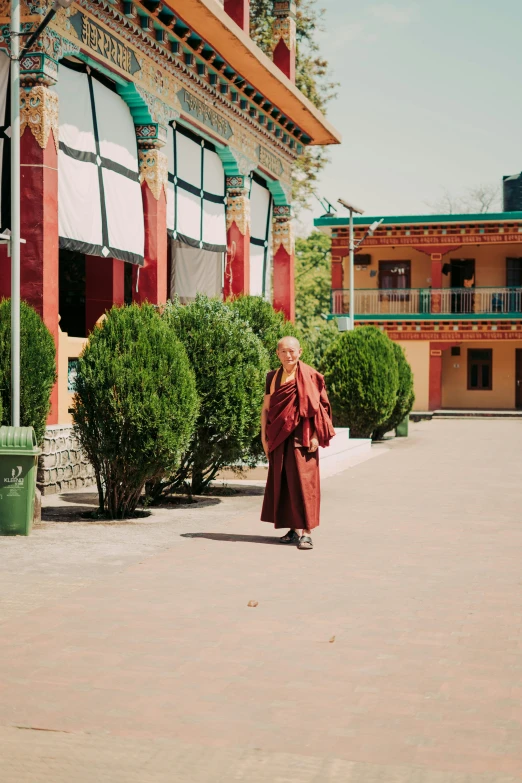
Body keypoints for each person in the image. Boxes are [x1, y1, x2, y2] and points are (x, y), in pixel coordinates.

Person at [260, 336, 335, 550]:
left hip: (302, 439)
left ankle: (307, 532)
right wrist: (263, 437)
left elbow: (320, 409)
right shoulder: (273, 377)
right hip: (277, 438)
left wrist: (315, 436)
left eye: (292, 351)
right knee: (282, 483)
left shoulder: (310, 376)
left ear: (300, 352)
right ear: (277, 354)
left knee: (305, 484)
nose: (288, 355)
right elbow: (266, 409)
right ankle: (292, 529)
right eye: (284, 351)